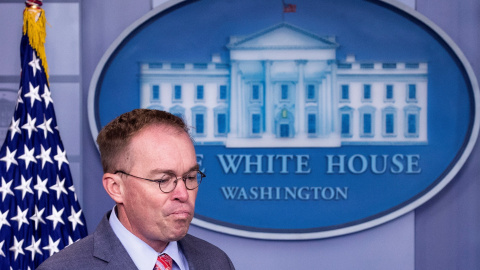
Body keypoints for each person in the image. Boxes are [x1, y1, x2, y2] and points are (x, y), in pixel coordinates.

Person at [38, 109, 235, 269]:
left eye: (190, 177)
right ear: (116, 188)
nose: (183, 194)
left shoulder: (216, 262)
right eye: (163, 180)